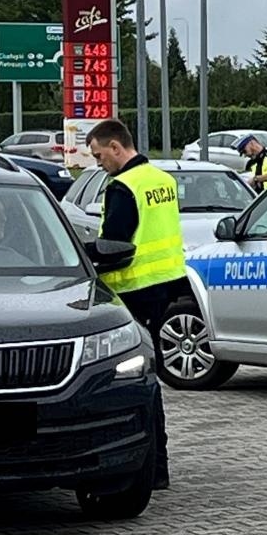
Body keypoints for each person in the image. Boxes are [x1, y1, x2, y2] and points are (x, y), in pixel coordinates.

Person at [85, 118, 183, 490]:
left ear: (115, 147)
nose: (98, 164)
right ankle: (158, 466)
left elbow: (116, 243)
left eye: (98, 156)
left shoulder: (123, 186)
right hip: (165, 286)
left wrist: (86, 254)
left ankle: (152, 466)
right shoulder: (162, 179)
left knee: (137, 380)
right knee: (149, 376)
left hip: (132, 290)